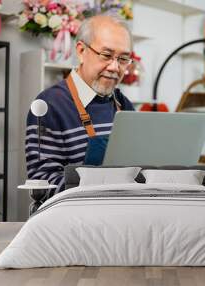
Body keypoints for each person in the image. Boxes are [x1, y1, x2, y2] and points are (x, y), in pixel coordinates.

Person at [25, 15, 135, 197]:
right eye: (107, 55)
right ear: (81, 50)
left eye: (123, 59)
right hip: (76, 219)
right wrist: (104, 190)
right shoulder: (48, 106)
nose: (115, 67)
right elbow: (41, 184)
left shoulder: (122, 104)